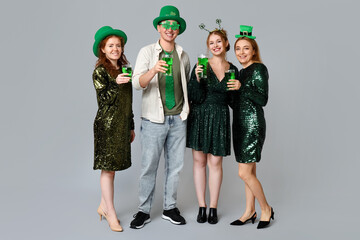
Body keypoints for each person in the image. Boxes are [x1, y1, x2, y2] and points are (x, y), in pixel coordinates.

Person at [130, 5, 190, 229]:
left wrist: (186, 112)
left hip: (178, 119)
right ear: (158, 27)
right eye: (166, 25)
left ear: (178, 30)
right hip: (154, 120)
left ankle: (169, 208)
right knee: (149, 167)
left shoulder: (183, 55)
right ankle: (143, 211)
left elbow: (185, 85)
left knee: (175, 167)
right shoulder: (147, 52)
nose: (170, 29)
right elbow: (137, 83)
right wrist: (154, 70)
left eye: (174, 26)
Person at [187, 20, 240, 224]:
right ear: (208, 46)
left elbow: (233, 102)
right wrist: (198, 80)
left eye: (219, 41)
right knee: (200, 162)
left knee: (215, 162)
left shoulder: (232, 68)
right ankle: (202, 206)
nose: (215, 45)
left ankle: (214, 208)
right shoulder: (201, 66)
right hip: (200, 115)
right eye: (211, 42)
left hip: (219, 116)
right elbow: (194, 96)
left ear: (226, 43)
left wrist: (238, 88)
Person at [229, 25, 274, 229]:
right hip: (238, 124)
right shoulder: (240, 71)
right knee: (250, 172)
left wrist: (242, 87)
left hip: (252, 124)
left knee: (244, 172)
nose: (241, 52)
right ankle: (249, 211)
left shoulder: (258, 69)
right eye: (238, 49)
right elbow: (237, 102)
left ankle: (266, 208)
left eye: (246, 48)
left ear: (254, 50)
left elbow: (262, 99)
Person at [92, 26, 135, 232]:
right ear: (103, 49)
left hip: (122, 124)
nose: (115, 48)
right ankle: (110, 212)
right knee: (108, 169)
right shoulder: (100, 71)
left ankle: (103, 205)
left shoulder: (125, 69)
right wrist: (116, 84)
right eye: (111, 45)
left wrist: (131, 125)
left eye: (118, 45)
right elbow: (103, 101)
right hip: (107, 126)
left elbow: (129, 100)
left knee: (113, 168)